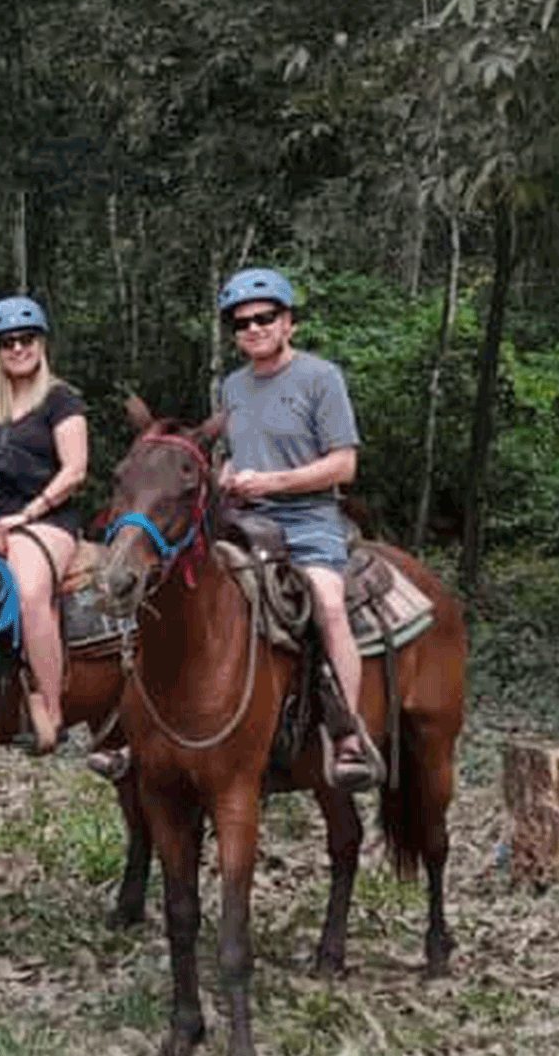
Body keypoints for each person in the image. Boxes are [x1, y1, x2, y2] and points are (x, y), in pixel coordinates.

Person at [216, 266, 379, 790]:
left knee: (327, 605)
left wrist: (273, 481)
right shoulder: (232, 386)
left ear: (289, 323)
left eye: (266, 318)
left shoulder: (319, 378)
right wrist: (226, 476)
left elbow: (343, 464)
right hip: (244, 520)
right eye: (242, 323)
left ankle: (348, 733)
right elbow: (232, 453)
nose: (254, 328)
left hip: (309, 520)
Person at [0, 295, 87, 756]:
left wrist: (26, 515)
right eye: (7, 342)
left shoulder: (60, 399)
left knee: (30, 591)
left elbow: (75, 470)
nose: (17, 349)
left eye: (26, 339)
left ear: (40, 343)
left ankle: (53, 714)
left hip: (47, 518)